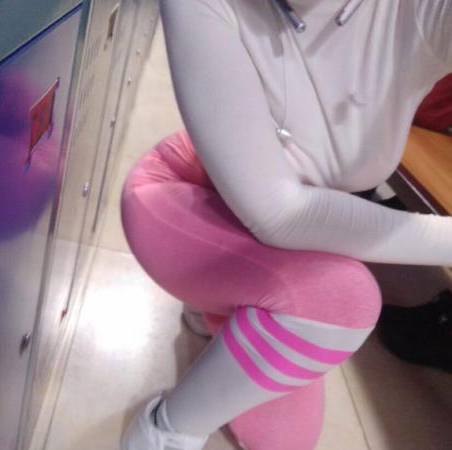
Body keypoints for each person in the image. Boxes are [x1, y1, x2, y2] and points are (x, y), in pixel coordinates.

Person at [120, 1, 452, 449]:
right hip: (186, 190)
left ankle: (222, 305)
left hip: (276, 218)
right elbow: (281, 214)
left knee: (285, 442)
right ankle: (165, 427)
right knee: (343, 297)